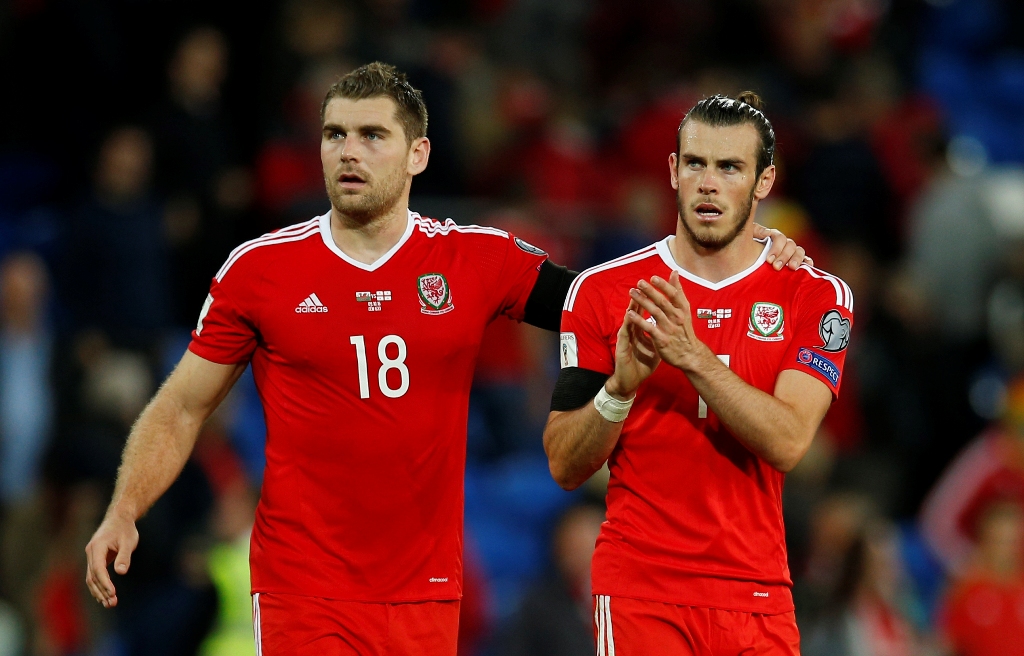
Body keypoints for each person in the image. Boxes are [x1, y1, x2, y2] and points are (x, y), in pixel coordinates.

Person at [84, 65, 809, 655]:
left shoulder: (476, 260)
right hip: (304, 587)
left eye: (372, 135)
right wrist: (124, 507)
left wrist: (760, 254)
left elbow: (606, 303)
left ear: (418, 154)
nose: (349, 151)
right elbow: (182, 403)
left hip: (428, 590)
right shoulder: (261, 270)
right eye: (335, 134)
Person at [544, 92, 854, 655]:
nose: (708, 183)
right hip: (641, 591)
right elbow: (565, 463)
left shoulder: (815, 295)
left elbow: (788, 442)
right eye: (696, 164)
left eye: (730, 167)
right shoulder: (602, 291)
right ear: (672, 171)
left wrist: (693, 357)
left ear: (764, 182)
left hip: (759, 594)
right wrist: (619, 390)